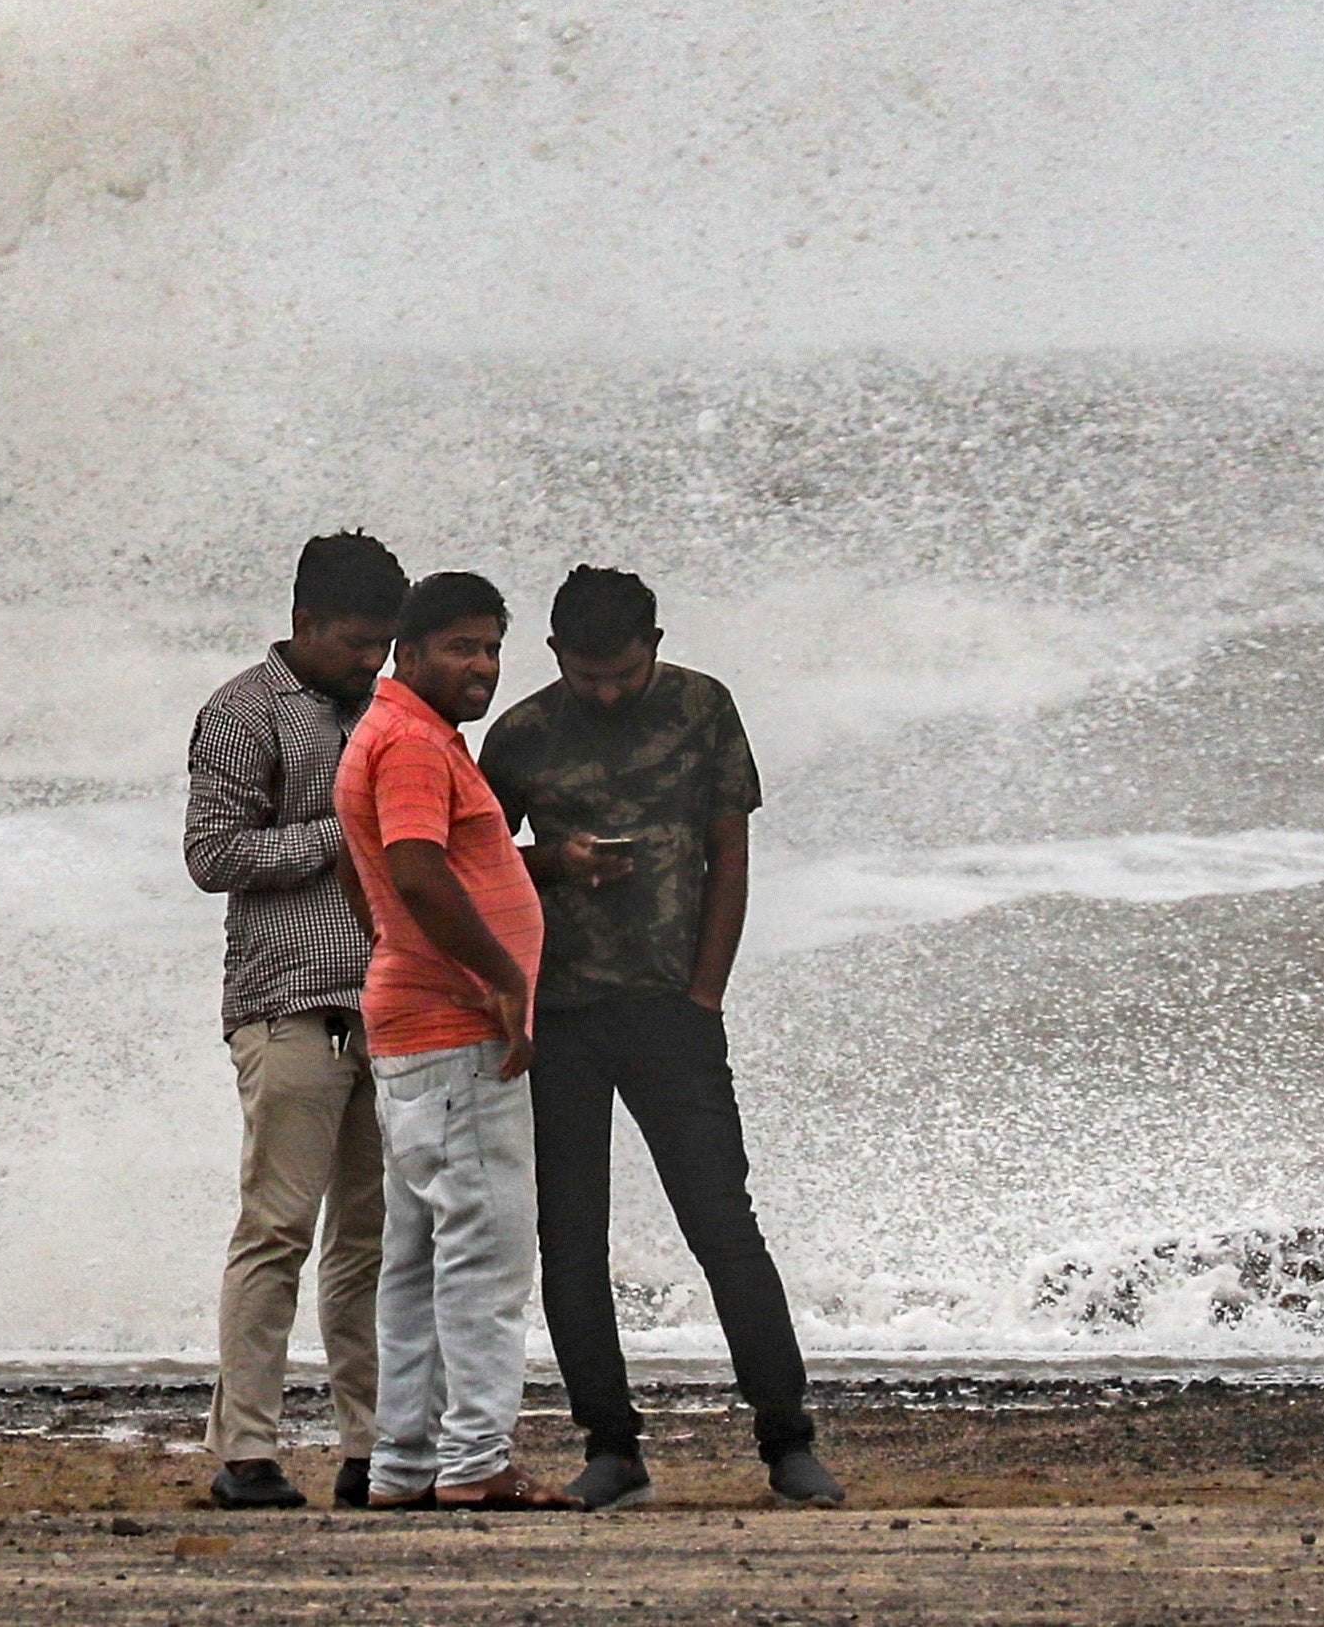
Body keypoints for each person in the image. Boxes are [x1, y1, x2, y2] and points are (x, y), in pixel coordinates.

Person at [479, 563, 840, 1508]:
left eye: (622, 673)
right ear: (554, 652)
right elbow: (477, 864)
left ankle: (787, 1437)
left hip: (671, 1011)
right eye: (586, 674)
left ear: (656, 646)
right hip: (557, 1018)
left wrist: (705, 994)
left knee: (722, 1223)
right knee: (572, 1237)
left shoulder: (702, 708)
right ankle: (611, 1443)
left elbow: (732, 854)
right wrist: (555, 861)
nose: (604, 691)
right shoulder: (518, 735)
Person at [336, 568, 576, 1510]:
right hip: (451, 1033)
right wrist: (501, 978)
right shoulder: (410, 744)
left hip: (414, 1025)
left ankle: (403, 1463)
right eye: (459, 647)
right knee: (487, 1248)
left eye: (490, 647)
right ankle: (476, 1460)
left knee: (420, 1251)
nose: (481, 665)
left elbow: (375, 885)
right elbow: (414, 869)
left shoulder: (400, 734)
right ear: (409, 650)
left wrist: (403, 953)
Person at [182, 530, 405, 1510]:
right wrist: (343, 833)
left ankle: (373, 1448)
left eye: (384, 645)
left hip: (389, 1006)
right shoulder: (242, 711)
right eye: (357, 642)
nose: (371, 661)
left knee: (373, 1238)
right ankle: (245, 1453)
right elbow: (212, 856)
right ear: (301, 622)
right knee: (277, 1226)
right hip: (287, 1002)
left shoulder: (391, 710)